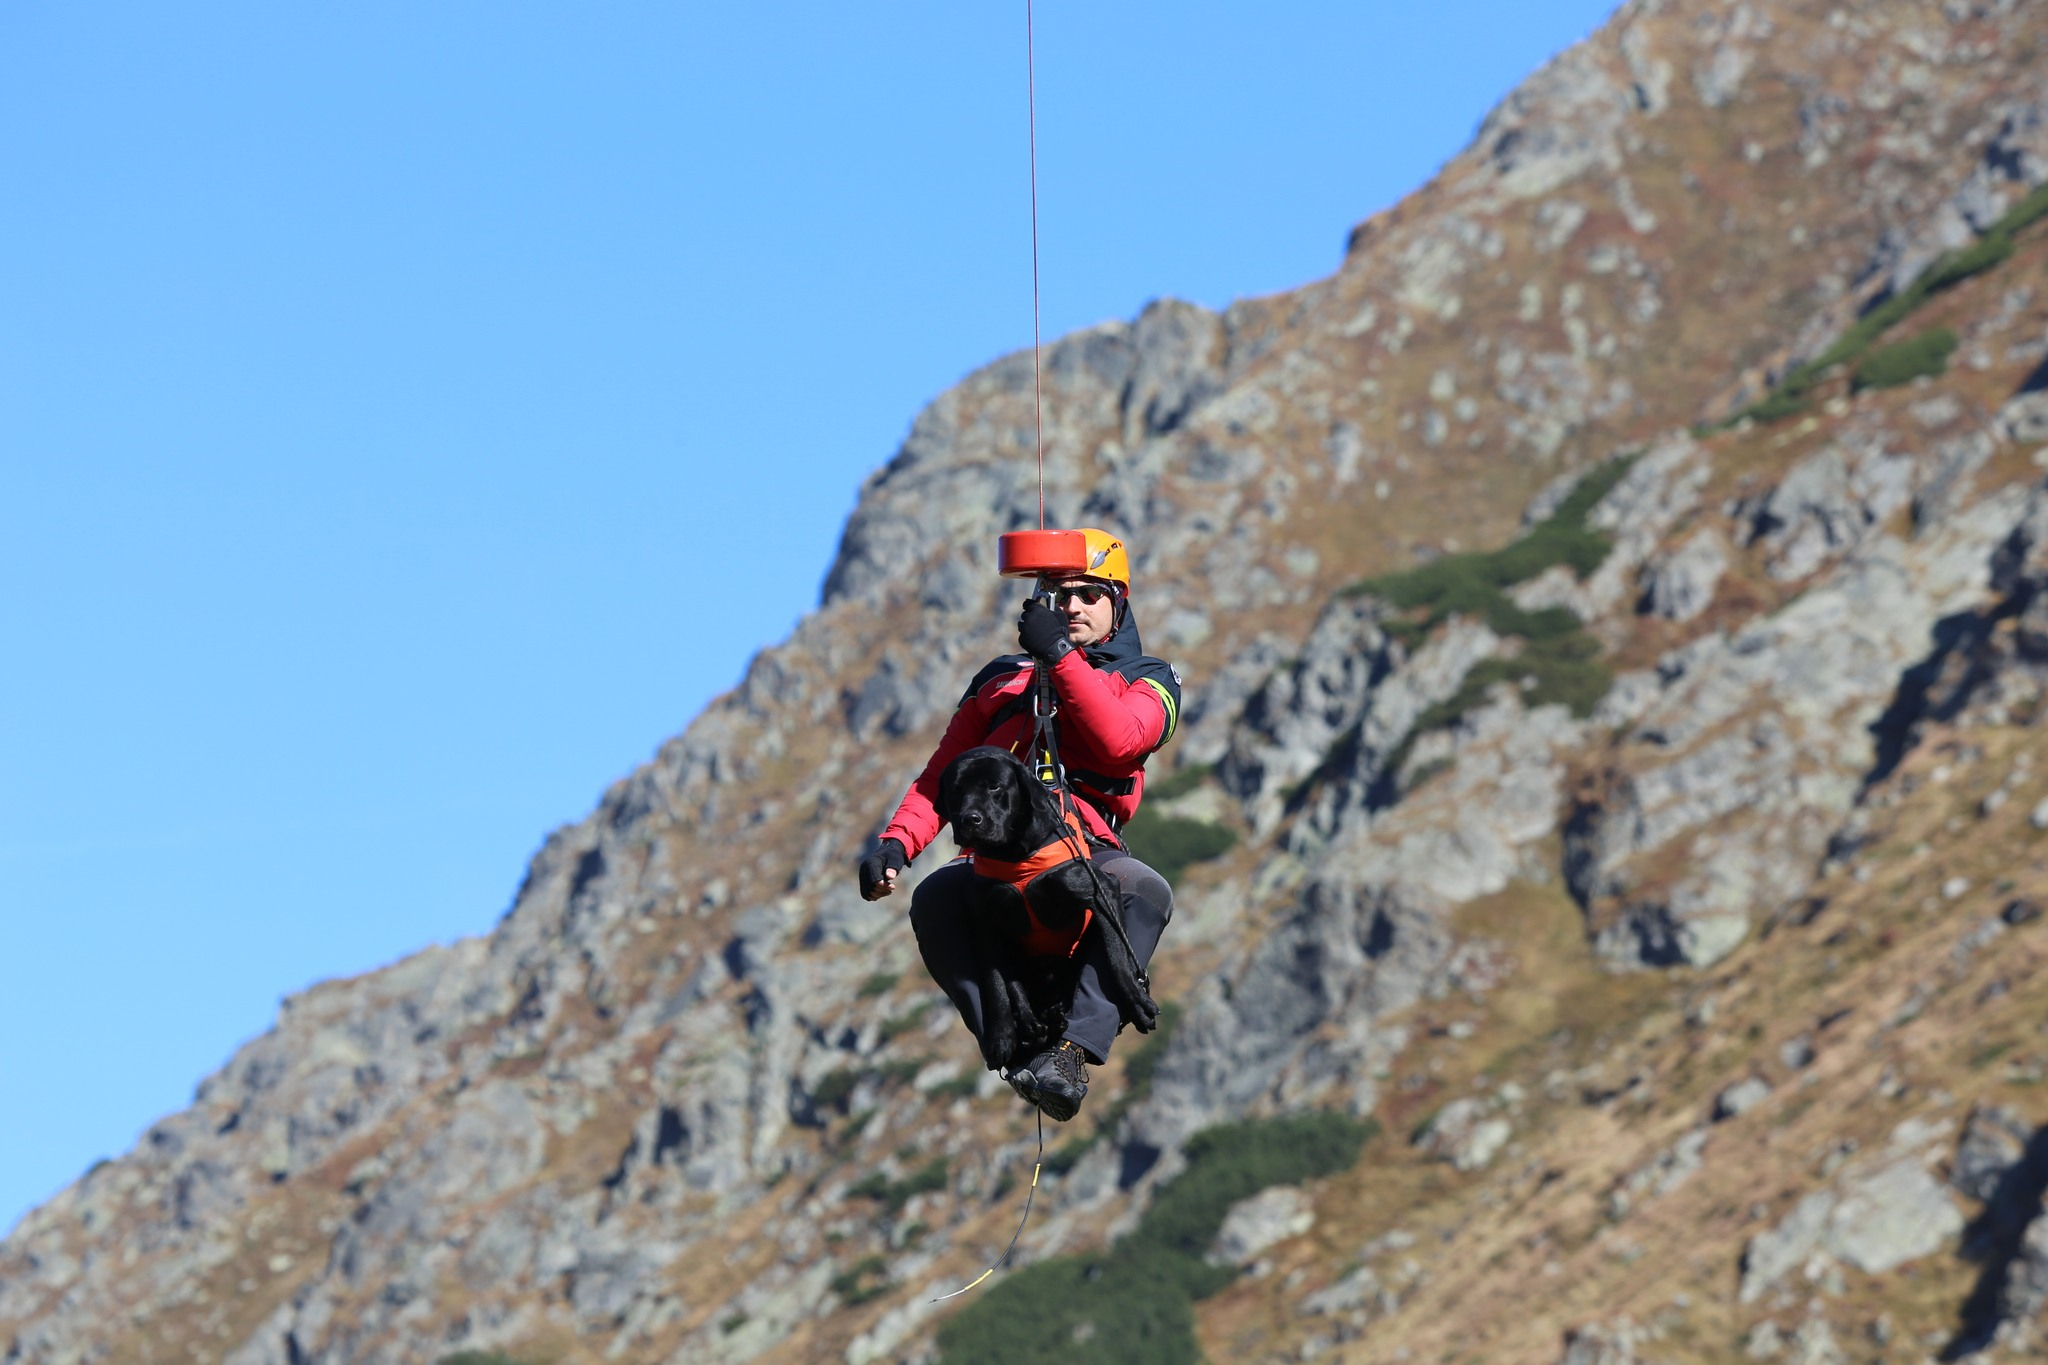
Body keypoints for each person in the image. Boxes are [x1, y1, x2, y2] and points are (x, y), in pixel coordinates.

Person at [856, 528, 1181, 1121]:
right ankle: (1010, 1050)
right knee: (936, 899)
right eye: (1060, 594)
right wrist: (895, 843)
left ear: (1118, 603)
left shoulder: (1150, 678)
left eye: (1088, 594)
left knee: (1144, 891)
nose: (1073, 606)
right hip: (991, 861)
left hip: (1086, 852)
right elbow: (940, 777)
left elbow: (1119, 743)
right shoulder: (998, 679)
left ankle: (1072, 1053)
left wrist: (1059, 657)